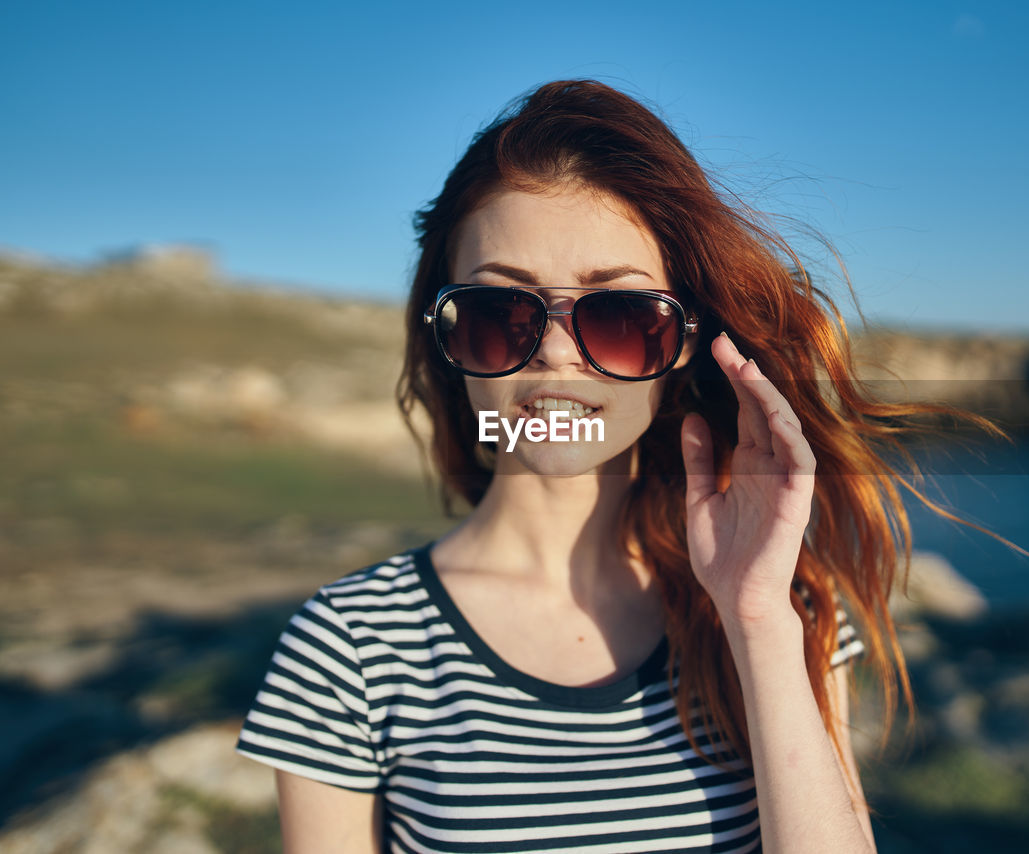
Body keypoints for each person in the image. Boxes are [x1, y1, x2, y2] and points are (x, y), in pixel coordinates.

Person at [237, 79, 969, 853]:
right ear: (446, 340)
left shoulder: (785, 608)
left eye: (619, 316)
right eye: (499, 313)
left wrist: (755, 620)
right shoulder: (352, 642)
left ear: (684, 342)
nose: (555, 351)